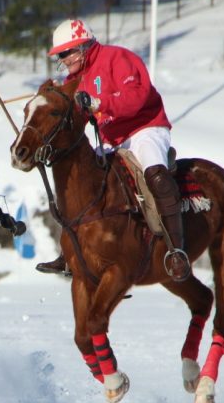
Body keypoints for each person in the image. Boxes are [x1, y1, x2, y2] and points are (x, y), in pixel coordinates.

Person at [36, 19, 190, 282]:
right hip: (110, 139)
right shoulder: (73, 80)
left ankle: (176, 251)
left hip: (144, 128)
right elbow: (71, 122)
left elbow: (137, 97)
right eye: (60, 55)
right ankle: (69, 251)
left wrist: (98, 102)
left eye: (66, 53)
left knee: (155, 175)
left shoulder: (118, 58)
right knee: (79, 182)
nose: (63, 60)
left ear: (83, 46)